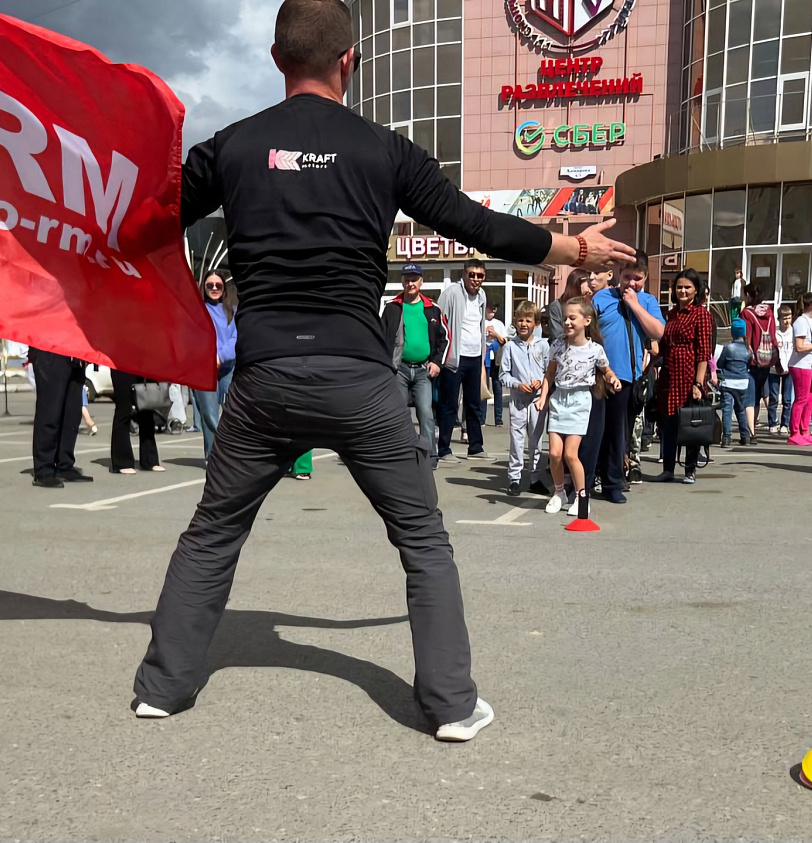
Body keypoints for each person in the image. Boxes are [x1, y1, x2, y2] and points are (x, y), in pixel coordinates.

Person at [132, 0, 636, 742]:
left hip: (264, 378)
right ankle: (452, 705)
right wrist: (576, 250)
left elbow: (142, 221)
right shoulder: (383, 150)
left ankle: (162, 689)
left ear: (276, 60)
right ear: (350, 61)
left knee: (212, 533)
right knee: (422, 540)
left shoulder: (232, 147)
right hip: (358, 381)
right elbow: (479, 225)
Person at [587, 255, 665, 503]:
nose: (632, 283)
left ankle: (613, 483)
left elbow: (658, 332)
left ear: (645, 278)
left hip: (627, 377)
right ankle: (585, 482)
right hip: (598, 375)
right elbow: (588, 329)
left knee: (618, 433)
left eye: (638, 278)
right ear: (618, 275)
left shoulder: (648, 301)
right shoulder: (602, 297)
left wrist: (634, 305)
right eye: (627, 277)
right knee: (593, 431)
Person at [539, 296, 620, 517]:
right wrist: (543, 397)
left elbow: (606, 370)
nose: (567, 323)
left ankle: (581, 495)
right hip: (559, 400)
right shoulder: (557, 345)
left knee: (570, 454)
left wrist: (613, 378)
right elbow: (550, 375)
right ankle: (558, 493)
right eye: (565, 318)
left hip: (580, 402)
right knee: (555, 454)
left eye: (572, 318)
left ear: (587, 320)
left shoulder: (594, 349)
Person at [651, 272, 713, 482]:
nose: (683, 291)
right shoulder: (672, 315)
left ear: (696, 290)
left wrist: (698, 382)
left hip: (689, 376)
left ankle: (690, 469)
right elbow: (663, 347)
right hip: (670, 376)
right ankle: (668, 469)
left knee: (691, 423)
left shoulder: (701, 314)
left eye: (687, 287)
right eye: (679, 287)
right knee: (668, 424)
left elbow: (704, 352)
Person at [382, 263, 448, 459]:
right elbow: (382, 337)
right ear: (402, 281)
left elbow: (445, 338)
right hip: (398, 369)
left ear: (421, 281)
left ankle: (428, 456)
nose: (410, 283)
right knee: (399, 414)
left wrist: (437, 362)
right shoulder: (392, 308)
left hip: (423, 371)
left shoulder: (432, 309)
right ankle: (400, 454)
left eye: (414, 279)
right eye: (407, 279)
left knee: (426, 414)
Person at [436, 260, 490, 462]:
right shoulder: (451, 293)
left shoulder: (482, 296)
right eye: (472, 274)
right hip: (454, 357)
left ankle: (475, 447)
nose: (475, 279)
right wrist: (439, 354)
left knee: (474, 403)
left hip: (475, 356)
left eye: (480, 275)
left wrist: (483, 357)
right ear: (464, 275)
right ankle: (444, 449)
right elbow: (437, 321)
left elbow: (479, 326)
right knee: (449, 404)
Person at [500, 300, 550, 495]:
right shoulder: (511, 347)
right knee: (517, 438)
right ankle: (514, 478)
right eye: (520, 320)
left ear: (535, 323)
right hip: (519, 399)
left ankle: (535, 478)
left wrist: (540, 381)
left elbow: (548, 371)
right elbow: (503, 374)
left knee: (536, 440)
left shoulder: (543, 345)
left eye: (528, 320)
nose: (523, 324)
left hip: (537, 399)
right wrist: (517, 384)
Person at [28, 347, 92, 488]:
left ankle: (65, 464)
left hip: (74, 351)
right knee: (50, 410)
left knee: (72, 414)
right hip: (49, 349)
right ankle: (44, 470)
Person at [193, 270, 238, 458]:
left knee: (233, 413)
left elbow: (237, 338)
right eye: (209, 285)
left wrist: (221, 357)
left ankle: (233, 453)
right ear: (203, 287)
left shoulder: (232, 310)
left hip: (228, 368)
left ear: (224, 288)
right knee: (210, 416)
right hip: (204, 369)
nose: (214, 289)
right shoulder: (197, 310)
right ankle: (213, 455)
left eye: (218, 285)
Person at [738, 285, 781, 436]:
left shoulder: (746, 313)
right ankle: (759, 425)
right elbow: (773, 335)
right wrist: (777, 360)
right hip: (767, 357)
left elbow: (746, 336)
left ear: (749, 295)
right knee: (760, 392)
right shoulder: (769, 311)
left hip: (752, 359)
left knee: (751, 395)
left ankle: (751, 431)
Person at [788, 293, 812, 447]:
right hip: (800, 364)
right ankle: (795, 432)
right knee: (801, 399)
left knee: (811, 398)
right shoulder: (801, 322)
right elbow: (799, 347)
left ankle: (805, 430)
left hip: (809, 363)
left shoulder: (811, 321)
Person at [110, 370, 165, 474]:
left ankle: (149, 459)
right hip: (121, 362)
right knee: (124, 408)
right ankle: (122, 461)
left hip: (144, 361)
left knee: (147, 407)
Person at [716, 319, 754, 446]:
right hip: (743, 382)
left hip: (728, 382)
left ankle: (726, 438)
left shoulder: (728, 348)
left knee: (727, 410)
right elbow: (750, 363)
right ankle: (745, 436)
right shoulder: (748, 349)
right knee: (741, 409)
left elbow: (719, 363)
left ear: (732, 333)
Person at [545, 269, 593, 343]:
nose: (590, 290)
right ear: (578, 283)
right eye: (588, 285)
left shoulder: (590, 304)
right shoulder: (556, 307)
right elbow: (557, 335)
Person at [484, 303, 509, 426]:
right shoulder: (481, 322)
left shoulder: (499, 324)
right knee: (483, 387)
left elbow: (504, 340)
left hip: (496, 359)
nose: (492, 310)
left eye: (495, 309)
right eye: (490, 308)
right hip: (484, 358)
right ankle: (481, 418)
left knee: (497, 387)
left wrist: (495, 335)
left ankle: (498, 418)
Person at [775, 304, 794, 436]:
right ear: (779, 319)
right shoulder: (775, 333)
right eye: (784, 319)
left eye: (789, 318)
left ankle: (784, 424)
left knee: (787, 399)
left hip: (789, 368)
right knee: (773, 398)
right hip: (775, 369)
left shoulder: (794, 332)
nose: (787, 321)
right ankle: (772, 422)